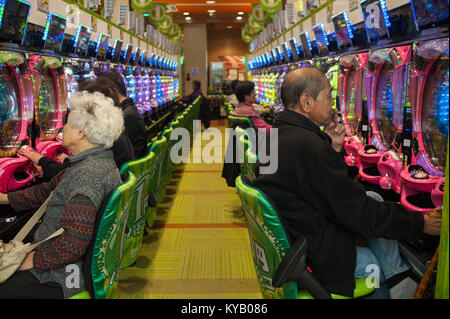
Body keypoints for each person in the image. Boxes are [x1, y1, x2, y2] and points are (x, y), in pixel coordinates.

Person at [251, 68, 441, 298]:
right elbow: (355, 210)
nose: (333, 103)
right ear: (306, 102)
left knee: (373, 198)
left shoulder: (276, 135)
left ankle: (397, 277)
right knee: (373, 265)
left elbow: (325, 187)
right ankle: (396, 280)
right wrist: (419, 224)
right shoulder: (310, 149)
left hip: (296, 238)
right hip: (315, 256)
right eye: (329, 96)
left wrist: (334, 149)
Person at [0, 91, 124, 299]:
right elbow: (48, 190)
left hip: (60, 276)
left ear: (81, 132)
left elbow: (73, 243)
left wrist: (28, 260)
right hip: (75, 266)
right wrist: (5, 198)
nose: (61, 127)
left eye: (66, 123)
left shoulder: (86, 177)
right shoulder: (96, 161)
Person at [19, 78, 135, 181]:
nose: (63, 127)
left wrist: (45, 162)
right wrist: (63, 162)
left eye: (68, 122)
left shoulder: (89, 173)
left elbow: (72, 180)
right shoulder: (106, 149)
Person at [96, 71, 147, 159]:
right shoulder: (129, 109)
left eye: (101, 92)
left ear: (113, 90)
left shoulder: (126, 115)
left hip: (128, 168)